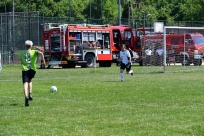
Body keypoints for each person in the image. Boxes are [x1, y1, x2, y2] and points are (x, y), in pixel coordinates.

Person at [20, 40, 45, 106]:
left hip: (25, 69)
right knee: (30, 80)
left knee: (25, 83)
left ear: (25, 46)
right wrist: (43, 62)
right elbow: (42, 53)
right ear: (31, 46)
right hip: (32, 69)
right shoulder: (34, 51)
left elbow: (21, 62)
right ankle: (30, 93)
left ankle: (26, 96)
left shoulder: (22, 52)